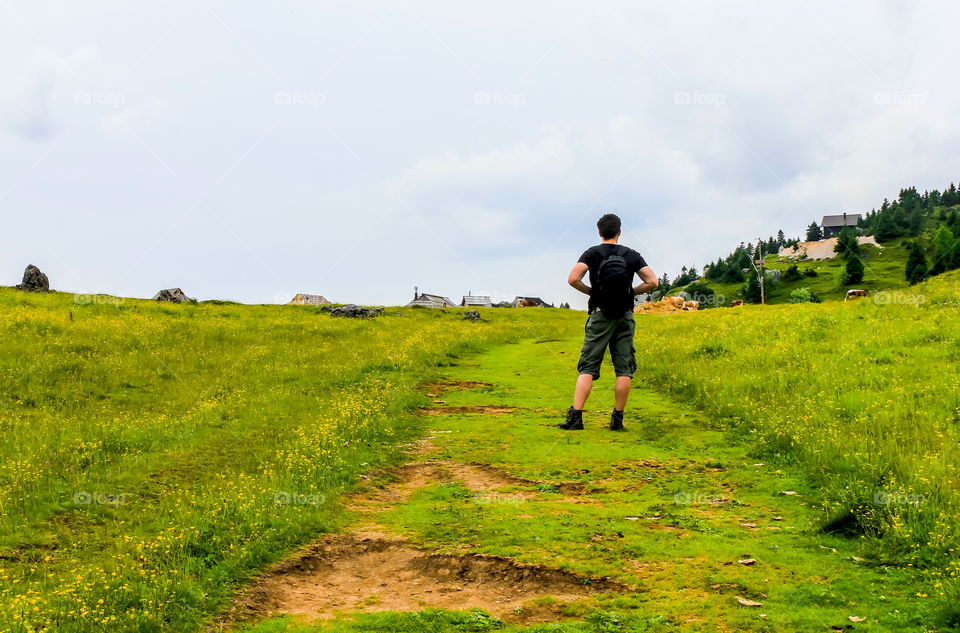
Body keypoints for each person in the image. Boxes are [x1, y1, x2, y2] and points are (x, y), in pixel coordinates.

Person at [559, 213, 658, 431]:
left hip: (600, 313)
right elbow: (653, 281)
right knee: (624, 369)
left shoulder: (592, 253)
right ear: (619, 232)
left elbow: (573, 278)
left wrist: (591, 292)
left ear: (599, 232)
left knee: (588, 366)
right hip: (624, 315)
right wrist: (631, 292)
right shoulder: (631, 255)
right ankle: (617, 419)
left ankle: (576, 417)